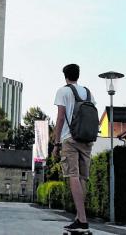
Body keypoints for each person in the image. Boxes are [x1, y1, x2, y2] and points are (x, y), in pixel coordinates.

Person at [52, 63, 96, 232]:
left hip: (69, 138)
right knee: (83, 178)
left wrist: (56, 143)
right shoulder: (88, 92)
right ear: (78, 75)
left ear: (65, 76)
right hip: (87, 139)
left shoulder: (63, 91)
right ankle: (79, 217)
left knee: (72, 175)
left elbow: (61, 118)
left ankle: (82, 220)